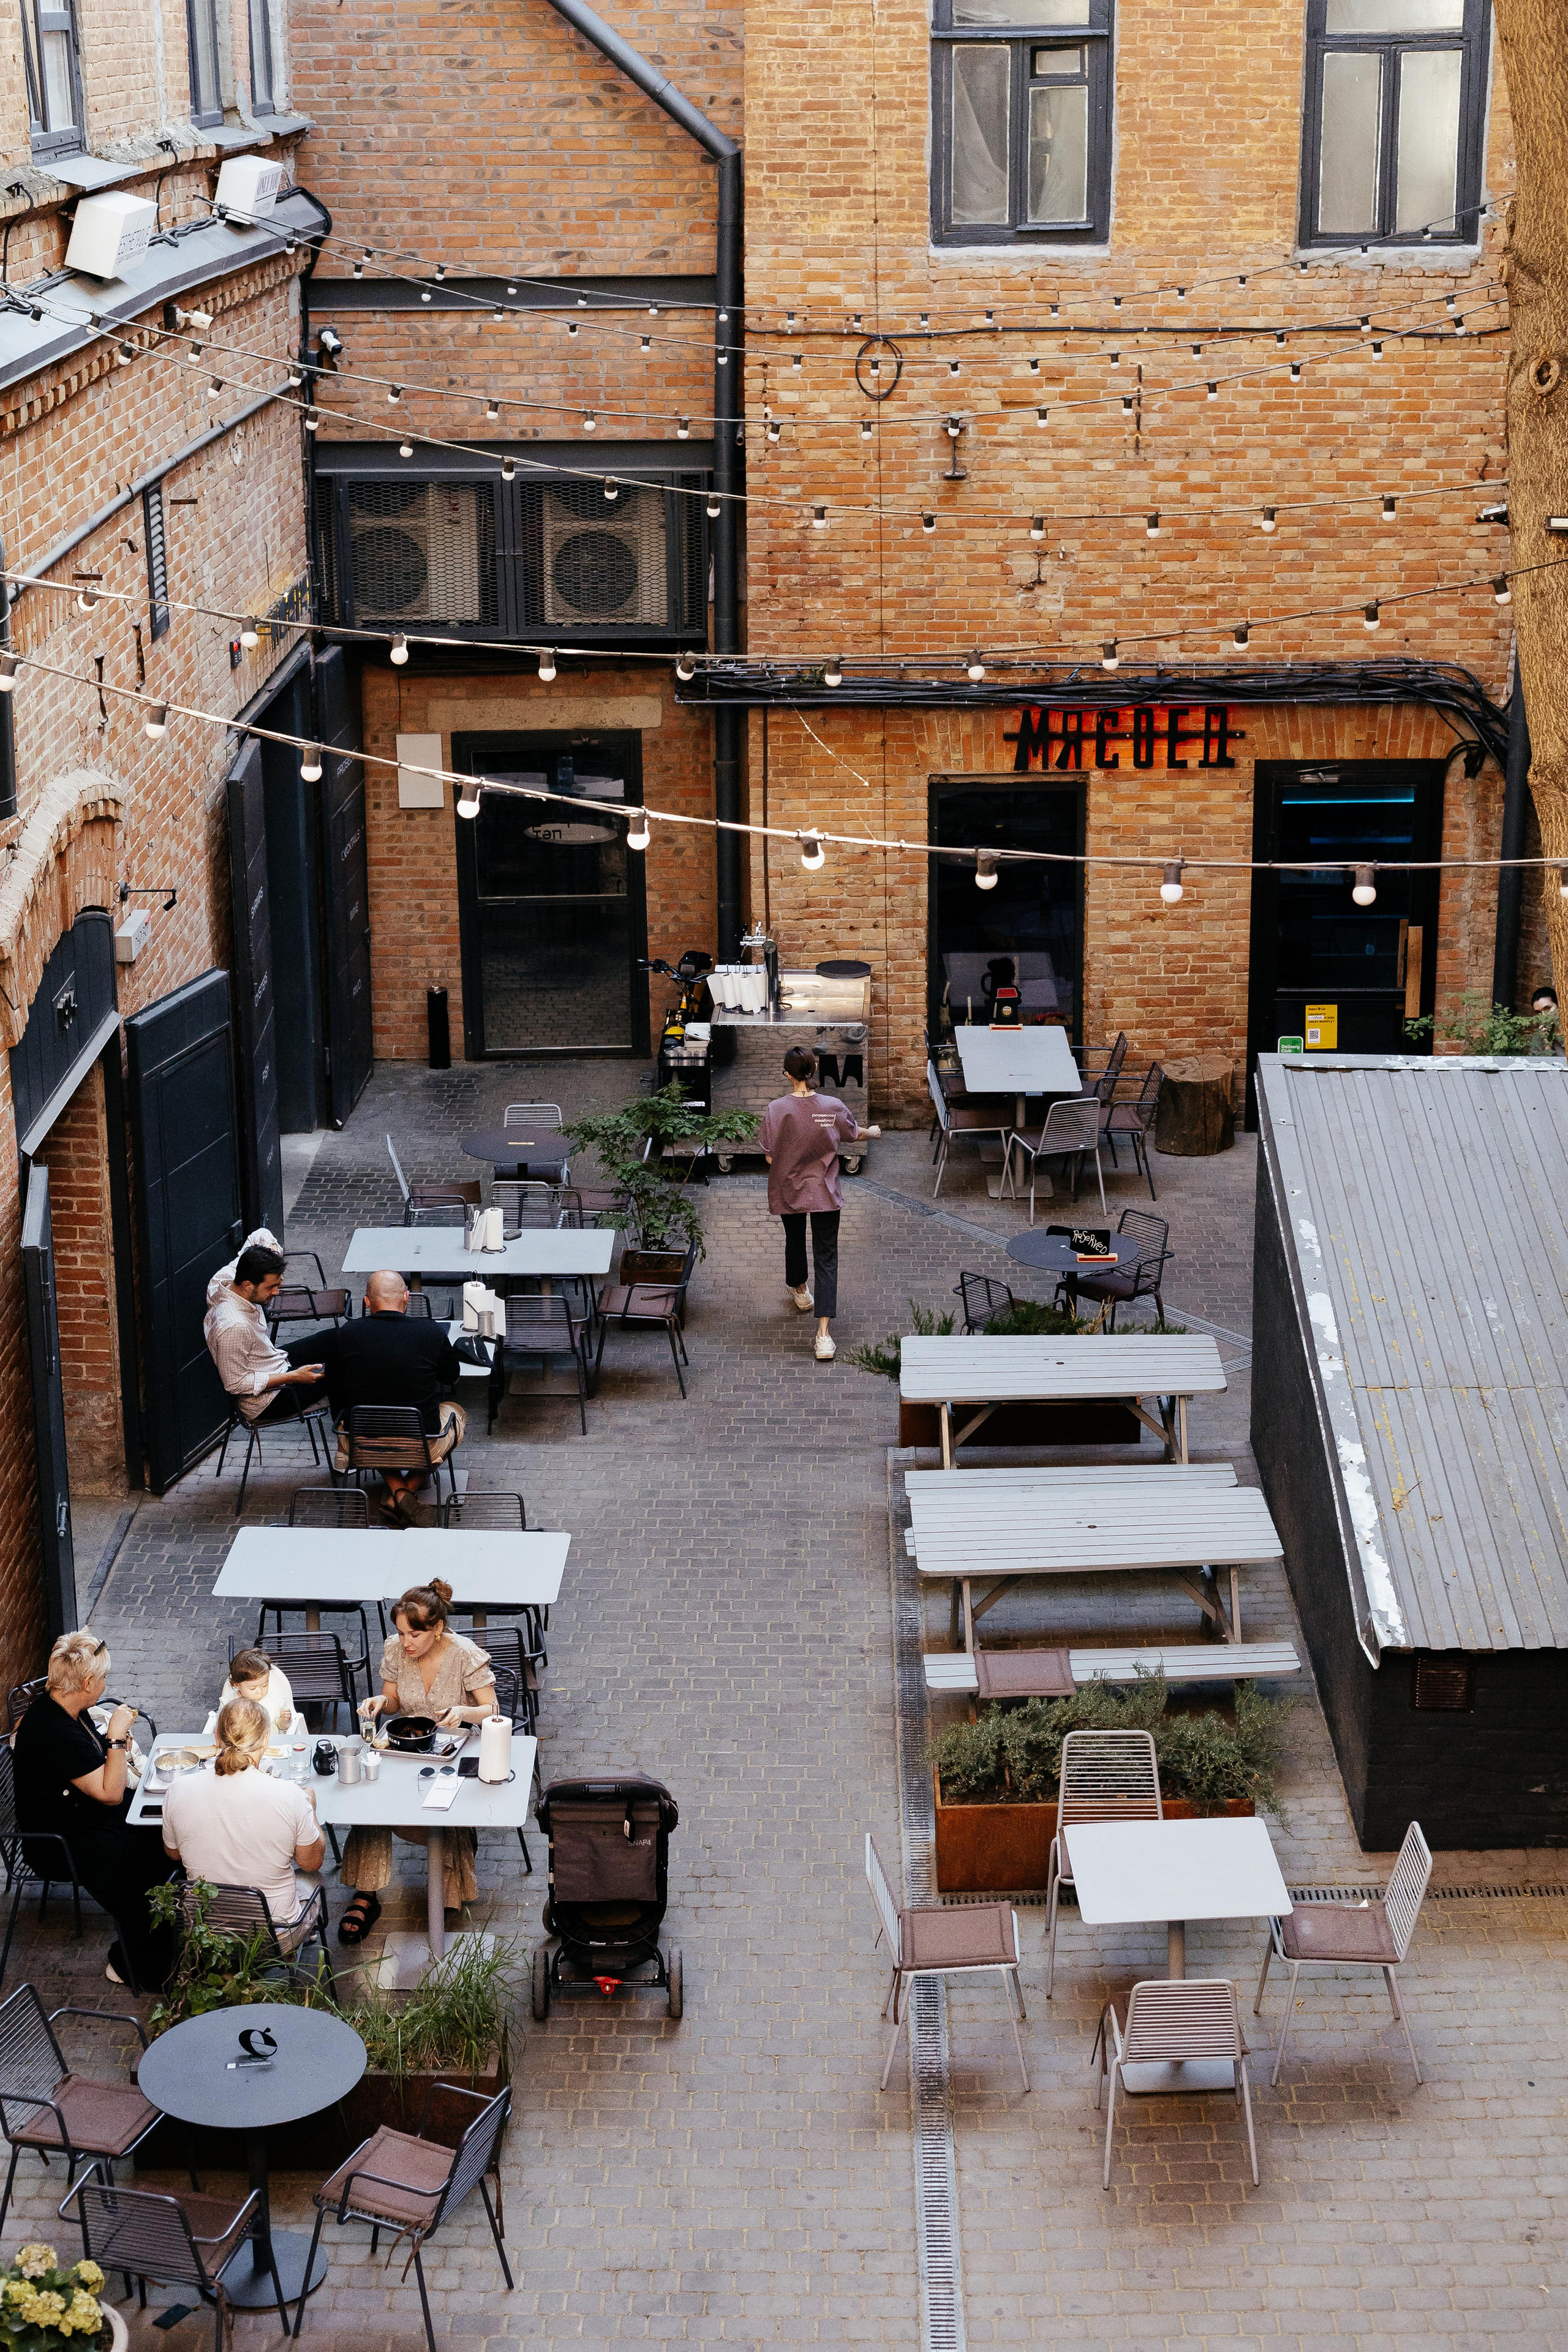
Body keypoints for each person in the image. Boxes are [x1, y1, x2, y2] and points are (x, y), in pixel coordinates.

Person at [336, 1580, 497, 1943]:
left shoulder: (465, 1654)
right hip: (405, 1743)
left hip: (454, 1748)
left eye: (414, 1634)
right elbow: (394, 1703)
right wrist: (380, 1702)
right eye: (400, 1632)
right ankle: (366, 1892)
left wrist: (463, 1711)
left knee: (443, 1807)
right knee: (370, 1797)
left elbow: (493, 1710)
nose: (405, 1642)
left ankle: (448, 1889)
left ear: (437, 1629)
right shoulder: (395, 1650)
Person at [10, 1632, 173, 1988]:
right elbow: (111, 1793)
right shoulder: (55, 1730)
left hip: (83, 1814)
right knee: (135, 1866)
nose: (105, 1684)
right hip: (61, 1840)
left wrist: (110, 1746)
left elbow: (89, 1763)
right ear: (86, 1682)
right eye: (102, 1678)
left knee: (163, 1827)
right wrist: (115, 1738)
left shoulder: (64, 1706)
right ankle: (137, 1962)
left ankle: (170, 1924)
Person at [161, 1697, 325, 1951]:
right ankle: (282, 1957)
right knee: (312, 1879)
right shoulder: (291, 1796)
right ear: (267, 1739)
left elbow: (173, 1853)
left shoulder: (177, 1789)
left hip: (206, 1933)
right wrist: (310, 1807)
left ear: (216, 1737)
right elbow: (312, 1862)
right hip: (273, 1939)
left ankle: (231, 1973)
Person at [759, 1044, 880, 1363]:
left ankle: (800, 1291)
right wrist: (874, 1133)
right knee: (826, 1256)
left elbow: (770, 1155)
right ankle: (823, 1336)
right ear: (813, 1071)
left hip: (789, 1189)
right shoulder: (831, 1106)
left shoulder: (775, 1110)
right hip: (824, 1190)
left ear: (787, 1074)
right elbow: (853, 1134)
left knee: (794, 1240)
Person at [312, 1271, 465, 1523]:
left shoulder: (347, 1334)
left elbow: (334, 1382)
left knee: (371, 1423)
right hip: (423, 1445)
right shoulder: (431, 1331)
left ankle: (397, 1491)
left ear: (367, 1302)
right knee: (456, 1414)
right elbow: (452, 1378)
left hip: (363, 1444)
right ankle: (406, 1492)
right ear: (406, 1297)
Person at [202, 1243, 325, 1425]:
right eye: (271, 1287)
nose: (276, 1292)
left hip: (272, 1361)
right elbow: (236, 1384)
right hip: (268, 1401)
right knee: (344, 1369)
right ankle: (345, 1440)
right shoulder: (234, 1327)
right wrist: (294, 1376)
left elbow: (259, 1236)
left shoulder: (225, 1281)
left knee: (334, 1338)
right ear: (248, 1285)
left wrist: (272, 1258)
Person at [216, 1646, 295, 1737]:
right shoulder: (227, 1703)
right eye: (253, 1688)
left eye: (264, 1685)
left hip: (269, 1747)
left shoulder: (276, 1703)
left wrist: (285, 1721)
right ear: (237, 1685)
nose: (260, 1692)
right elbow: (220, 1728)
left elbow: (282, 1728)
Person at [1529, 983, 1560, 1053]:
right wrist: (1547, 1045)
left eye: (1548, 1008)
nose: (1544, 1015)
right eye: (1539, 1012)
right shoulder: (1539, 1036)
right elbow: (1538, 1062)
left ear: (1559, 1005)